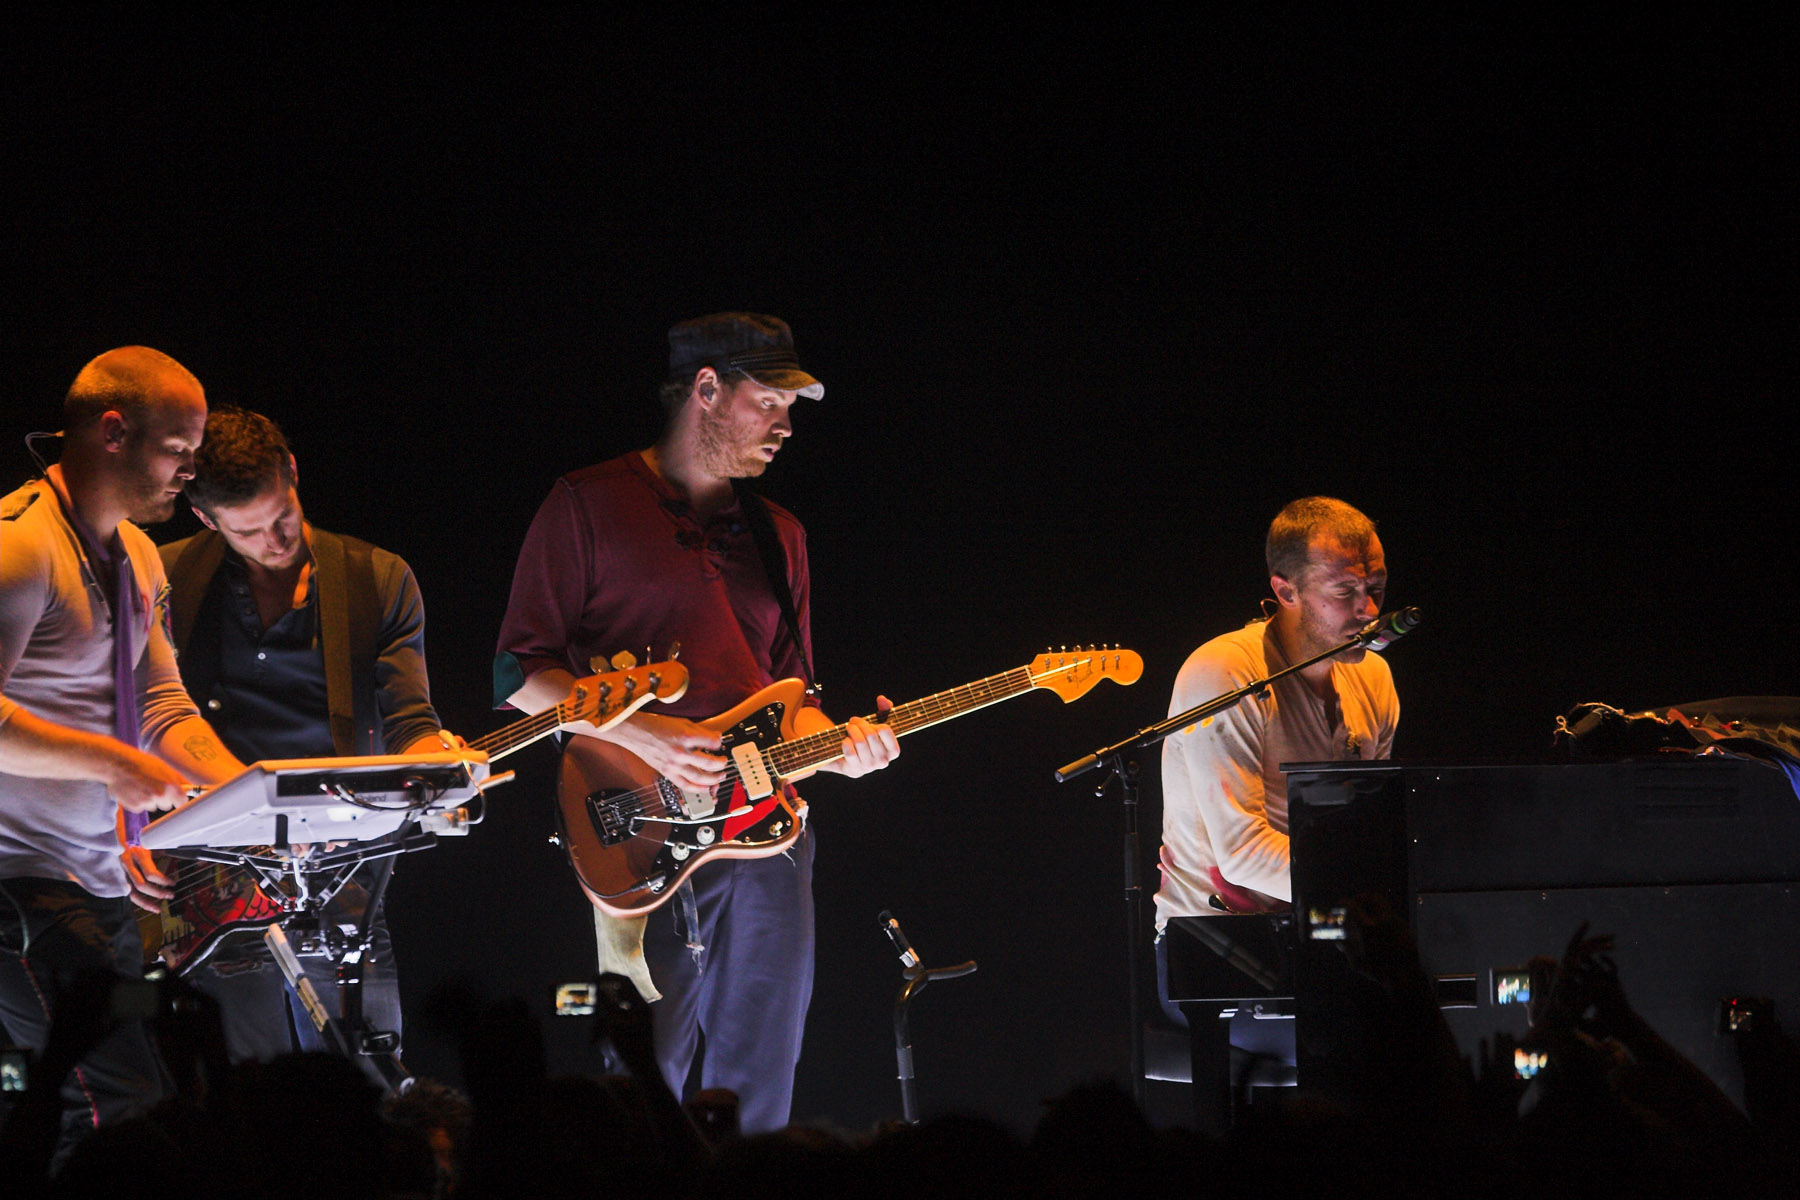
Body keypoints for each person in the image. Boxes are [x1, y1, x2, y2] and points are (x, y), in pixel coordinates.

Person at [496, 312, 899, 1133]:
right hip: (635, 828)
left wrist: (844, 749)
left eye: (791, 408)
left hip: (767, 831)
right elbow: (518, 676)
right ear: (706, 389)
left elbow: (791, 695)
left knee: (762, 1074)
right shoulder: (588, 503)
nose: (785, 426)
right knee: (640, 1076)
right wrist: (645, 736)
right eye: (769, 402)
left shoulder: (780, 535)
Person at [149, 406, 454, 1086]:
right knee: (248, 1088)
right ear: (205, 519)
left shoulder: (377, 578)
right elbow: (143, 716)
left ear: (292, 471)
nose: (274, 540)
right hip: (212, 874)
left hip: (338, 868)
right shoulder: (166, 579)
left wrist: (433, 752)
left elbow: (410, 718)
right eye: (247, 531)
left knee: (371, 1077)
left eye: (281, 516)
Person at [0, 347, 247, 1158]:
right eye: (178, 449)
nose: (191, 472)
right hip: (21, 892)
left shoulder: (137, 554)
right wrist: (114, 765)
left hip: (98, 889)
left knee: (145, 1094)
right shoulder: (20, 548)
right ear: (113, 432)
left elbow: (162, 704)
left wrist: (252, 792)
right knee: (119, 1105)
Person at [1153, 496, 1399, 1128]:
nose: (1369, 611)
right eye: (1344, 592)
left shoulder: (1374, 679)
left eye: (1375, 588)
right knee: (1390, 1045)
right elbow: (1241, 855)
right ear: (1285, 591)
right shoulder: (1224, 671)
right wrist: (1380, 893)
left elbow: (1369, 828)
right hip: (1220, 952)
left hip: (1329, 933)